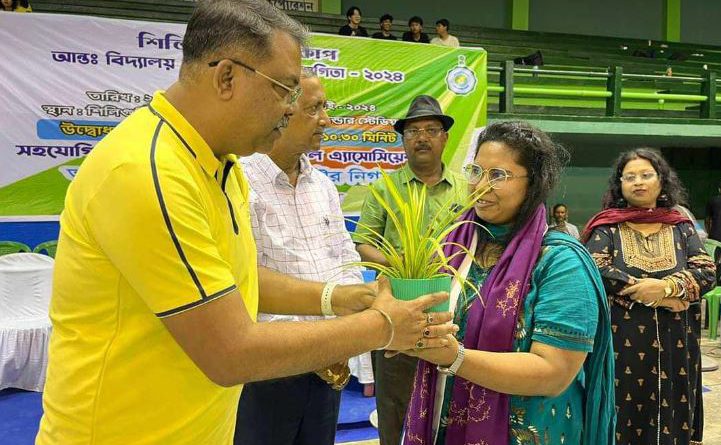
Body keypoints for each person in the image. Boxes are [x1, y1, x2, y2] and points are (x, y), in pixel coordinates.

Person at [34, 2, 457, 444]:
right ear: (227, 77)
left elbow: (235, 280)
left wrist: (349, 297)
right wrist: (383, 325)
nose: (290, 109)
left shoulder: (223, 166)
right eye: (284, 90)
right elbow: (230, 352)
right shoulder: (148, 171)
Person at [400, 121, 615, 445]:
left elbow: (554, 372)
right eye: (476, 171)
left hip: (530, 431)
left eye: (498, 175)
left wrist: (453, 357)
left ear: (534, 184)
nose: (481, 186)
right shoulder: (452, 246)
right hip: (444, 428)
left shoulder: (561, 263)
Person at [235, 68, 365, 445]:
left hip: (330, 365)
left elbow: (345, 258)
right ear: (281, 113)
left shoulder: (323, 185)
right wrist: (314, 347)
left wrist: (342, 336)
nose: (327, 120)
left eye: (326, 107)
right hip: (266, 371)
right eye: (315, 109)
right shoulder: (239, 182)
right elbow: (243, 280)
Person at [352, 95, 466, 445]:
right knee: (393, 402)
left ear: (445, 137)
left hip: (453, 311)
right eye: (413, 130)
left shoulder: (466, 190)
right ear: (403, 140)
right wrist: (405, 268)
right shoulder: (384, 189)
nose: (422, 137)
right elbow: (364, 243)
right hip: (395, 309)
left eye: (431, 129)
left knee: (451, 396)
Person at [583, 148, 716, 445]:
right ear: (620, 184)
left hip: (677, 341)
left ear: (661, 181)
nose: (638, 182)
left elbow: (706, 272)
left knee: (673, 409)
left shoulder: (681, 226)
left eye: (646, 175)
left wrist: (667, 288)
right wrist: (653, 295)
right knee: (622, 409)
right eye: (629, 177)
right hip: (621, 338)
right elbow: (596, 268)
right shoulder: (607, 226)